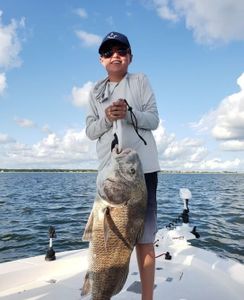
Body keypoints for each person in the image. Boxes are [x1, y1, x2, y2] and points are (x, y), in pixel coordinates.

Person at [85, 31, 160, 300]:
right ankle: (101, 286)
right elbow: (90, 130)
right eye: (108, 52)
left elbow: (153, 119)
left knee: (144, 237)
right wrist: (107, 117)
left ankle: (147, 297)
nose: (115, 55)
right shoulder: (96, 91)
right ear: (101, 59)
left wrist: (129, 113)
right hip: (111, 172)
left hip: (142, 171)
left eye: (121, 51)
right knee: (103, 235)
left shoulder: (140, 81)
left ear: (130, 57)